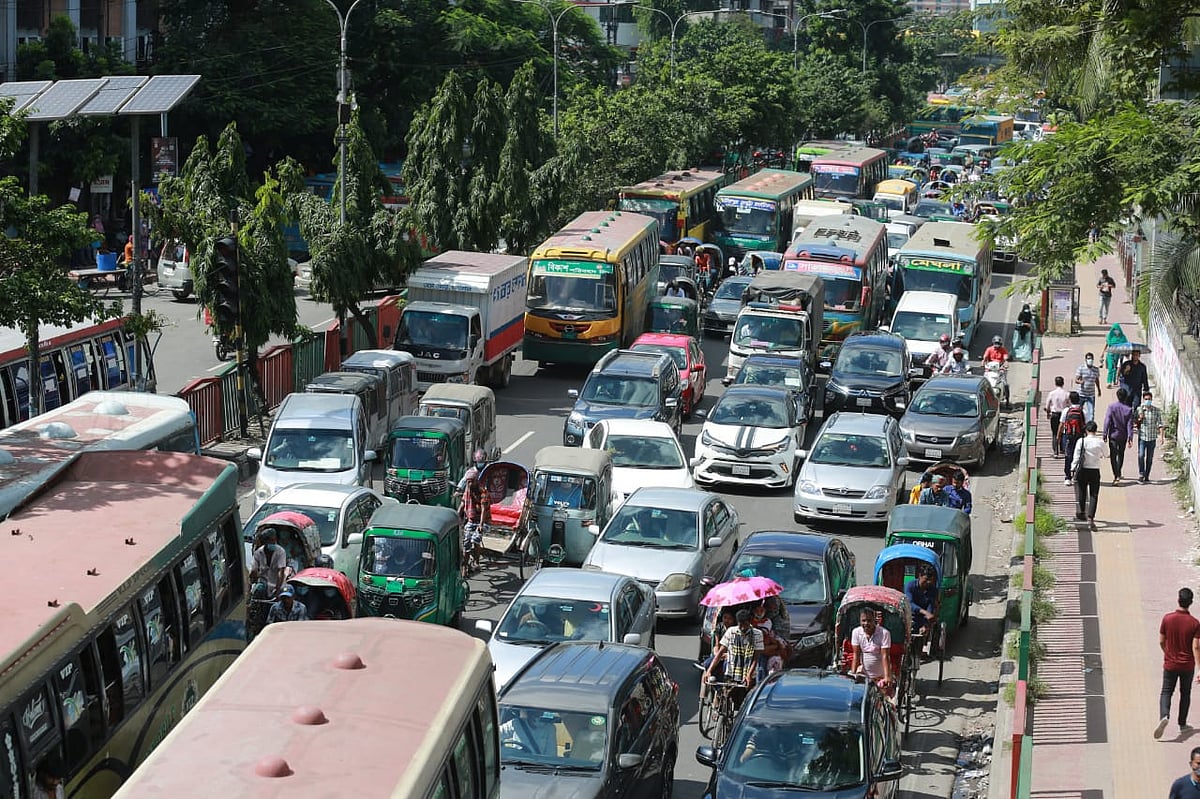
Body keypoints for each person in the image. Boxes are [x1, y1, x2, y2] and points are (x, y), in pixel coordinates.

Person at [1158, 588, 1200, 740]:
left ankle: (1164, 716)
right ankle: (1182, 724)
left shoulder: (1167, 619)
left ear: (1178, 599)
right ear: (1191, 602)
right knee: (1185, 693)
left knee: (1166, 691)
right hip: (1187, 666)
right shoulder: (1195, 623)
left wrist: (1167, 653)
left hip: (1170, 664)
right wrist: (1199, 669)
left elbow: (1161, 641)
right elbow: (1195, 646)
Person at [704, 609, 763, 712]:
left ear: (750, 622)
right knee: (726, 698)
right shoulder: (731, 632)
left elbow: (756, 658)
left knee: (744, 704)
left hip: (748, 674)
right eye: (740, 625)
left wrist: (749, 675)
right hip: (731, 672)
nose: (742, 627)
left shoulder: (757, 634)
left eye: (745, 624)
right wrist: (709, 671)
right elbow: (720, 653)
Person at [850, 608, 893, 698]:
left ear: (875, 620)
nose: (866, 623)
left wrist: (887, 677)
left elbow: (885, 656)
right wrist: (853, 674)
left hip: (880, 676)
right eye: (863, 621)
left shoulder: (884, 633)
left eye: (869, 620)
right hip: (864, 675)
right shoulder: (856, 632)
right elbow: (856, 655)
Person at [1070, 421, 1105, 527]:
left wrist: (1072, 469)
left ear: (1086, 430)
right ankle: (1091, 517)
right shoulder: (1100, 442)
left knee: (1082, 491)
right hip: (1095, 470)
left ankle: (1082, 512)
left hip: (1083, 470)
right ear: (1095, 430)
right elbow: (1106, 454)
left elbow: (1076, 457)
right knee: (1094, 494)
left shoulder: (1081, 441)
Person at [1102, 388, 1135, 484]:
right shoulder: (1128, 410)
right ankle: (1119, 471)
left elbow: (1107, 421)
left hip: (1113, 435)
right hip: (1123, 436)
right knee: (1121, 454)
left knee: (1113, 455)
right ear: (1125, 398)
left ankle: (1116, 475)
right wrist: (1130, 437)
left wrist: (1104, 433)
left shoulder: (1111, 407)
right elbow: (1129, 425)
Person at [1136, 391, 1165, 483]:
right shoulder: (1140, 409)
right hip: (1142, 437)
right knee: (1141, 455)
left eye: (1149, 399)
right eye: (1146, 399)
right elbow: (1135, 422)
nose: (1147, 401)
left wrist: (1162, 437)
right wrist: (1139, 419)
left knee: (1149, 458)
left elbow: (1160, 424)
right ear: (1143, 400)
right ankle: (1141, 473)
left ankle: (1147, 475)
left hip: (1152, 438)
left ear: (1151, 400)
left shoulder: (1156, 411)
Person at [249, 528, 287, 598]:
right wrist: (254, 574)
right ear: (265, 542)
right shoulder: (258, 553)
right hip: (264, 584)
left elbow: (280, 571)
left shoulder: (281, 552)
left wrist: (277, 589)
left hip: (277, 584)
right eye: (270, 541)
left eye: (274, 540)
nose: (273, 543)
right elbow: (253, 570)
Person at [1060, 393, 1086, 485]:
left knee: (1068, 456)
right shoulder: (1082, 411)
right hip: (1079, 437)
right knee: (1079, 455)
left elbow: (1062, 424)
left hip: (1068, 436)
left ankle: (1068, 477)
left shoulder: (1066, 411)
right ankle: (1077, 476)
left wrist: (1058, 436)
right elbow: (1085, 425)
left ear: (1070, 400)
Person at [905, 565, 939, 638]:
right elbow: (910, 604)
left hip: (923, 619)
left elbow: (931, 607)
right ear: (920, 576)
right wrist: (925, 612)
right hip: (909, 616)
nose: (928, 582)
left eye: (930, 580)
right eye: (926, 579)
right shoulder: (910, 586)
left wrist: (925, 625)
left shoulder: (933, 590)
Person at [1044, 375, 1071, 457]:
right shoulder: (1067, 393)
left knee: (1055, 433)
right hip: (1063, 414)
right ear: (1063, 383)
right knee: (1063, 432)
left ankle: (1055, 451)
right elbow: (1069, 405)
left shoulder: (1052, 393)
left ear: (1055, 383)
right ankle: (1062, 449)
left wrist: (1048, 413)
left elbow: (1047, 405)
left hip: (1055, 414)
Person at [1074, 352, 1102, 423]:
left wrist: (1099, 389)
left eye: (1091, 359)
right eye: (1088, 358)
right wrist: (1080, 382)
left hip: (1091, 395)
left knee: (1091, 413)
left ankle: (1090, 428)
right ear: (1086, 360)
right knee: (1079, 412)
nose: (1090, 360)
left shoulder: (1095, 369)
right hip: (1081, 394)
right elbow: (1076, 380)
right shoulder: (1081, 368)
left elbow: (1096, 380)